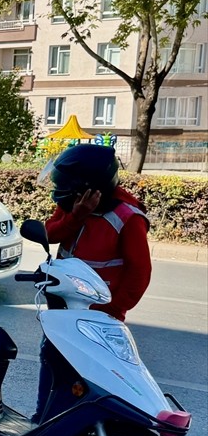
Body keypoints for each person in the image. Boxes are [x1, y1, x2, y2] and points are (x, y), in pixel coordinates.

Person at [33, 144, 151, 421]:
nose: (58, 190)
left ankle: (86, 428)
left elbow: (139, 274)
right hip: (63, 308)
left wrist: (112, 312)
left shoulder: (128, 218)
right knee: (52, 359)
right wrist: (77, 215)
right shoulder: (73, 206)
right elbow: (50, 233)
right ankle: (43, 421)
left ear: (90, 188)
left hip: (99, 317)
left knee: (90, 372)